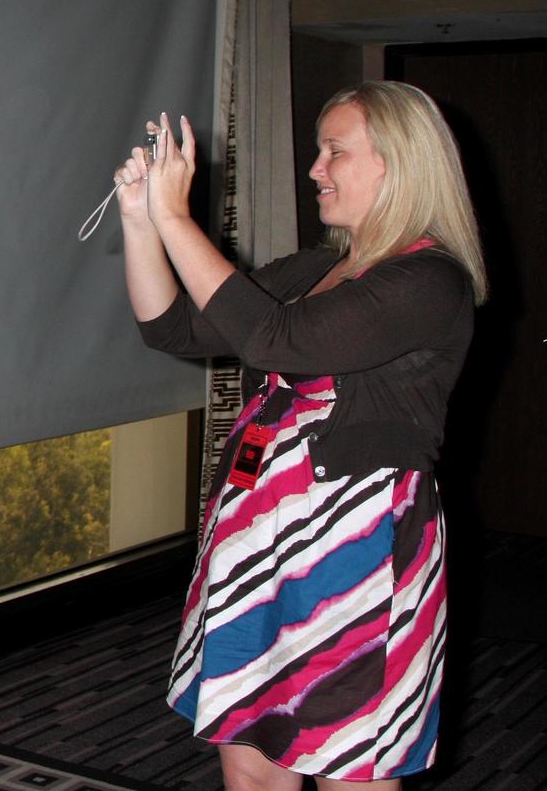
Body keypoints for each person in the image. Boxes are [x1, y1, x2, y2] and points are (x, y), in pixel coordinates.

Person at [115, 82, 487, 791]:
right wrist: (142, 222)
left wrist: (176, 214)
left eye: (335, 151)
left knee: (353, 768)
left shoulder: (427, 281)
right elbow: (175, 328)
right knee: (250, 760)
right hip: (258, 537)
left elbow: (275, 339)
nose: (316, 167)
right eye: (319, 150)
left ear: (397, 164)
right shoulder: (317, 267)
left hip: (356, 551)